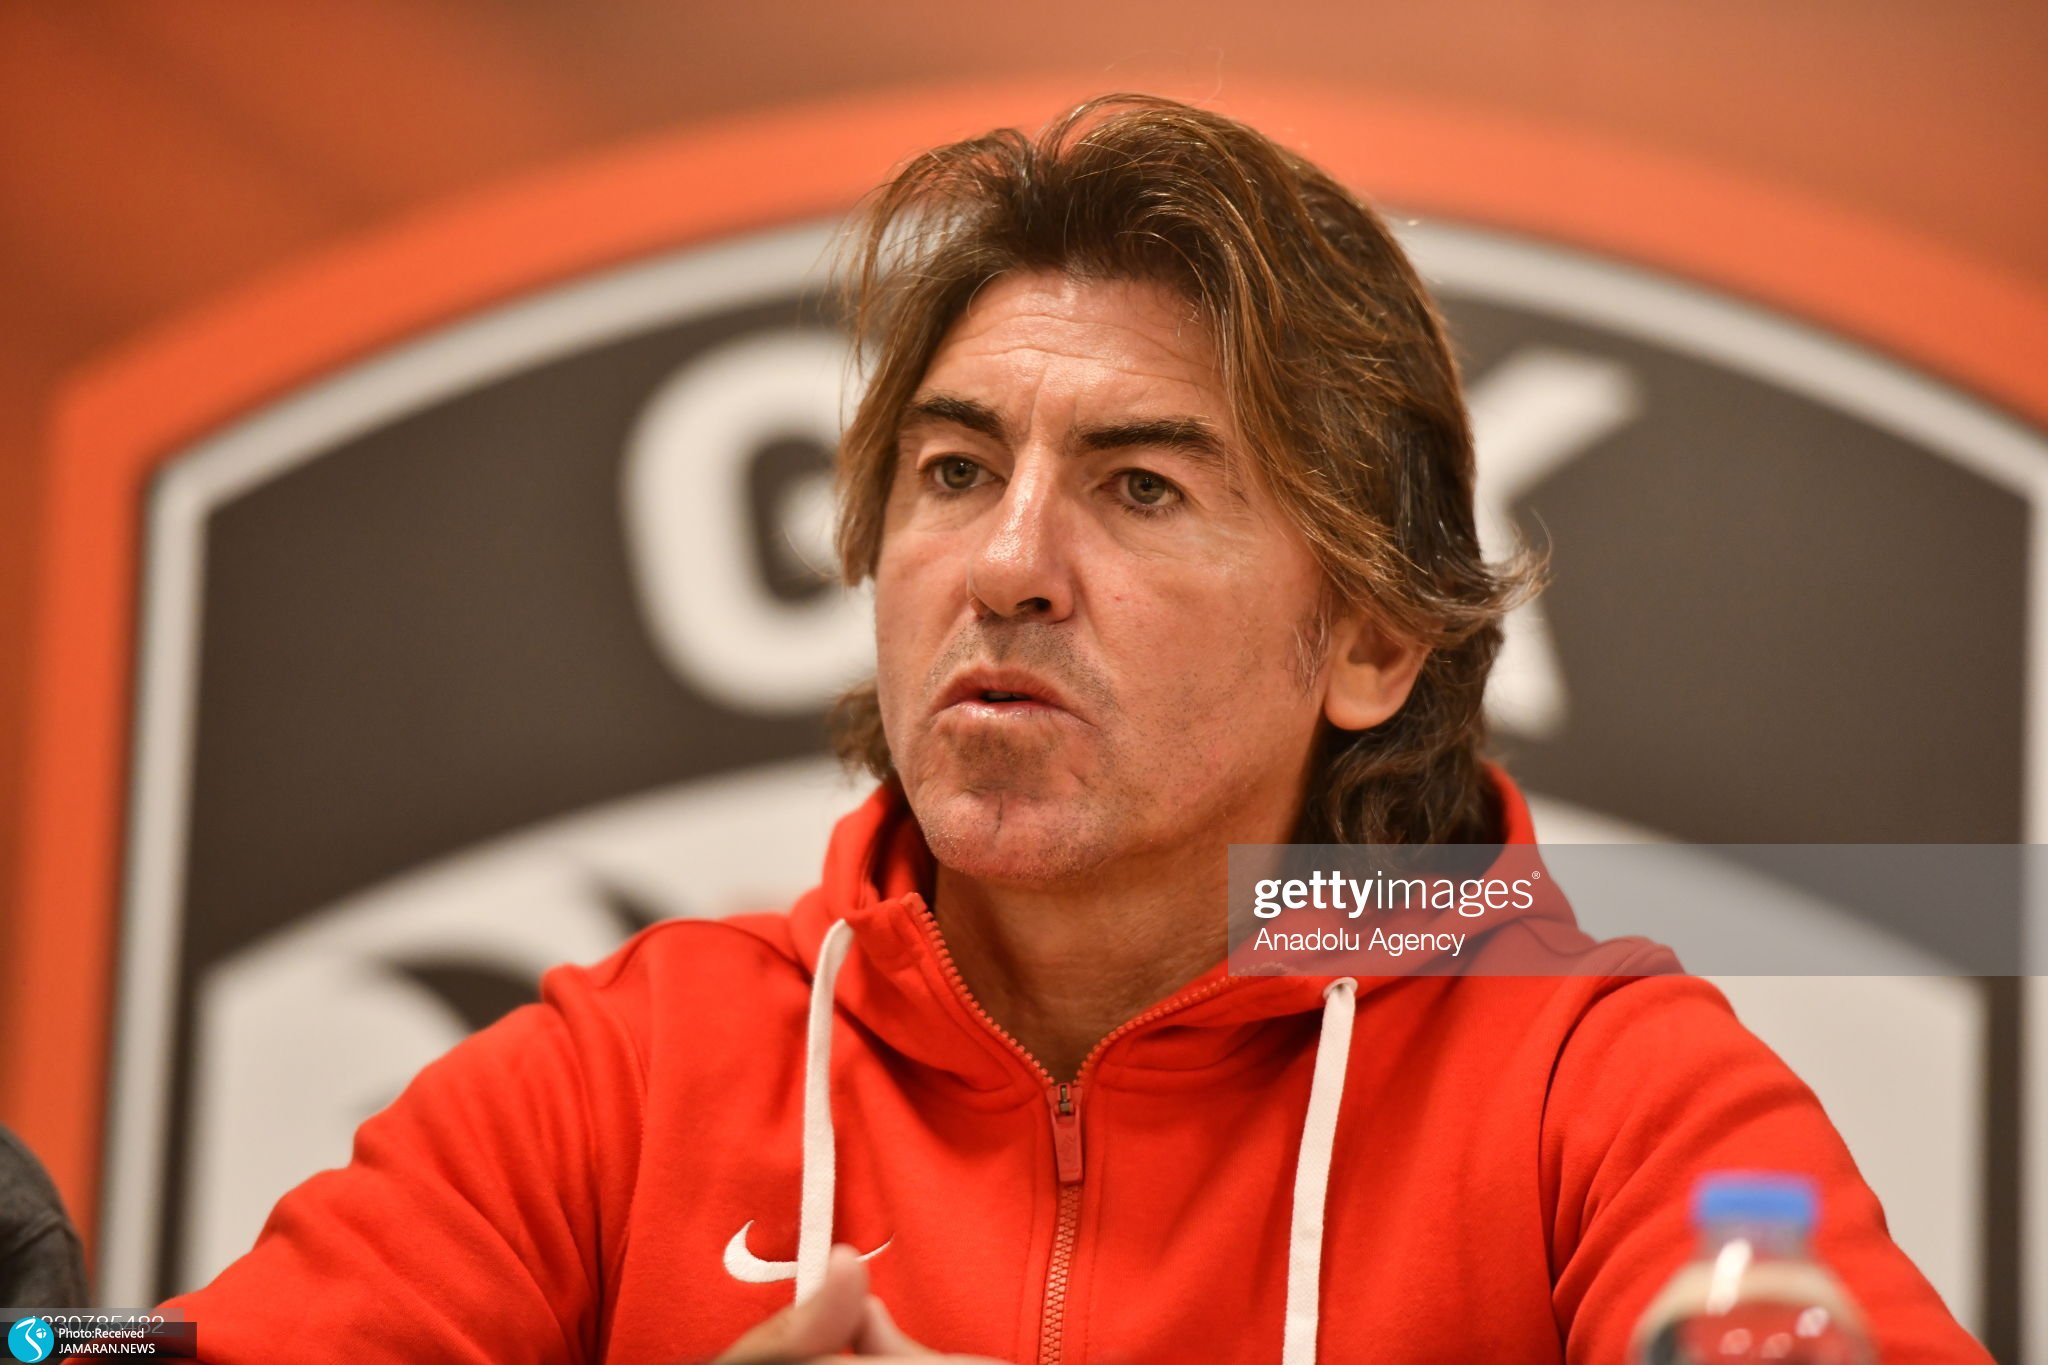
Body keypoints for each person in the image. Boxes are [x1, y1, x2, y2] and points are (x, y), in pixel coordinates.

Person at [158, 94, 1988, 1363]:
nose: (1007, 564)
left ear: (1369, 637)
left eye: (1140, 488)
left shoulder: (1600, 1086)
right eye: (956, 470)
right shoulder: (627, 1077)